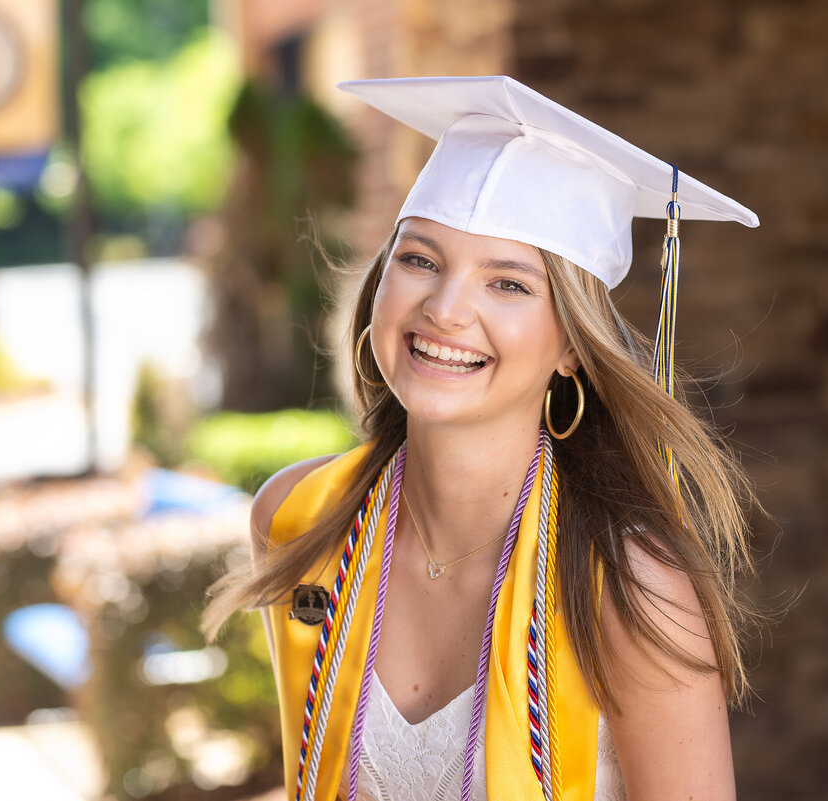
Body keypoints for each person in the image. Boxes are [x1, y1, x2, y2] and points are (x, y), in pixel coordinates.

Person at [204, 75, 762, 801]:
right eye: (420, 259)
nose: (445, 308)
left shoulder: (625, 587)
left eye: (509, 284)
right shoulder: (297, 520)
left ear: (572, 346)